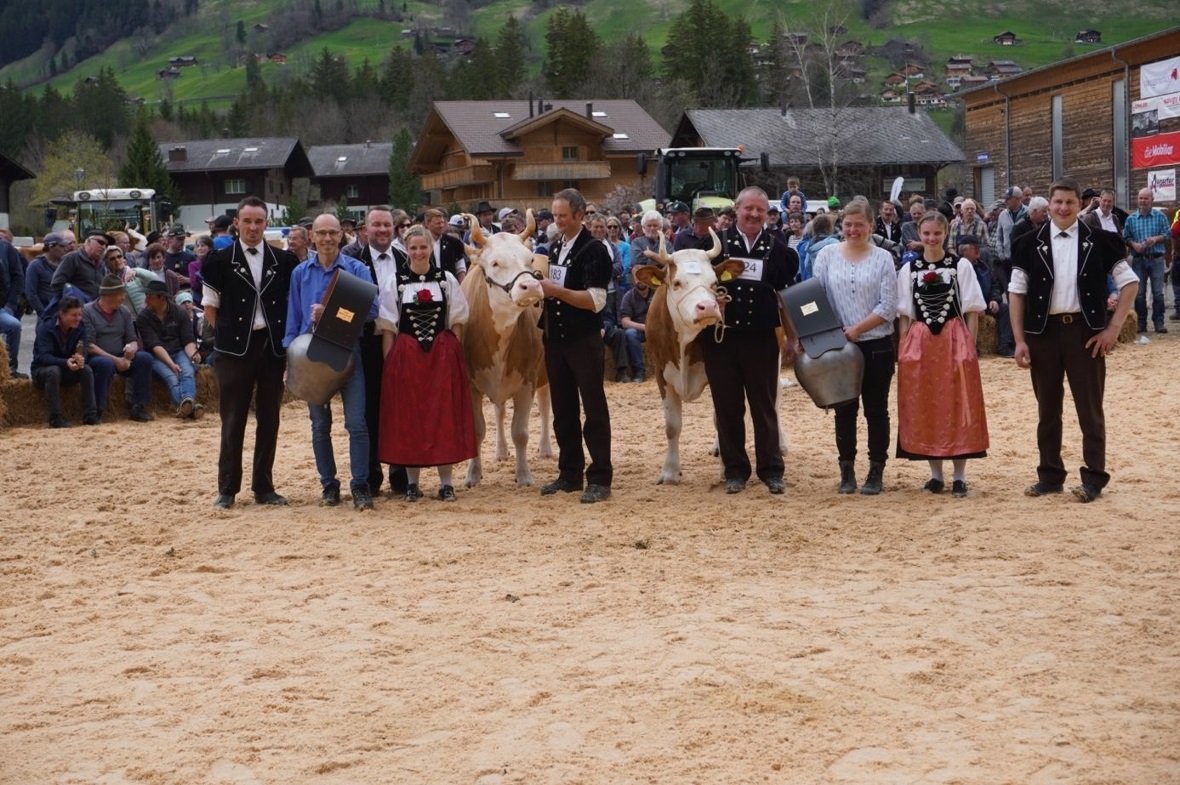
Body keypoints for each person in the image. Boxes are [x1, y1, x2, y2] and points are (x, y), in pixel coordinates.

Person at [1009, 178, 1138, 504]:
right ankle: (1050, 475)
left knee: (1089, 410)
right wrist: (1020, 339)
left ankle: (1093, 478)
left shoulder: (1102, 240)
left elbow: (1130, 284)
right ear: (1048, 206)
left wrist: (1112, 330)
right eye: (1058, 202)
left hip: (1086, 333)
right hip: (1043, 335)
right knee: (1047, 410)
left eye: (1069, 202)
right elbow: (1016, 293)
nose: (1063, 208)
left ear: (1080, 204)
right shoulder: (1026, 242)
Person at [201, 196, 296, 509]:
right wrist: (228, 337)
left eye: (259, 221)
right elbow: (210, 308)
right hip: (234, 349)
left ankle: (264, 486)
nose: (253, 227)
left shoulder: (284, 261)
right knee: (232, 419)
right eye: (248, 221)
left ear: (266, 224)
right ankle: (227, 489)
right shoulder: (218, 260)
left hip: (271, 348)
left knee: (270, 419)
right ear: (237, 224)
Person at [704, 186, 798, 495]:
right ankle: (735, 471)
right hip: (721, 339)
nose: (755, 214)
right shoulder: (714, 246)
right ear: (737, 209)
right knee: (728, 407)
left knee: (764, 406)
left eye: (760, 209)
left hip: (761, 339)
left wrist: (792, 339)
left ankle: (771, 470)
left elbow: (785, 297)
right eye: (749, 209)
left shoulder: (778, 248)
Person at [284, 213, 379, 511]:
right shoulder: (300, 272)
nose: (327, 238)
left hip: (347, 354)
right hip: (311, 358)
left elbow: (372, 311)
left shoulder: (356, 269)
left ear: (341, 235)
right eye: (321, 233)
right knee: (319, 426)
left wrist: (332, 313)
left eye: (332, 233)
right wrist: (289, 363)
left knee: (357, 423)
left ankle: (360, 486)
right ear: (312, 235)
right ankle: (329, 485)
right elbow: (294, 320)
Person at [376, 224, 476, 502]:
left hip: (441, 356)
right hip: (406, 356)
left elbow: (457, 319)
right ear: (406, 250)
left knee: (443, 416)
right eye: (413, 248)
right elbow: (388, 327)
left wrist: (453, 352)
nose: (418, 252)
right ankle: (411, 483)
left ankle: (446, 483)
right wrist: (390, 365)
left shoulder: (445, 279)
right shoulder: (395, 281)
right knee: (410, 418)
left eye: (423, 247)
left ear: (431, 249)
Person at [896, 211, 989, 497]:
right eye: (926, 234)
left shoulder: (960, 265)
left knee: (958, 402)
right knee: (926, 403)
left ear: (945, 233)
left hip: (953, 338)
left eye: (937, 233)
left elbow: (972, 309)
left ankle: (959, 476)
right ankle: (935, 475)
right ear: (919, 235)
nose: (931, 238)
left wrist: (969, 346)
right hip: (921, 340)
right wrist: (903, 346)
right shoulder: (908, 269)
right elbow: (904, 313)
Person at [812, 198, 898, 495]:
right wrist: (825, 331)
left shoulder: (883, 258)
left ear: (871, 226)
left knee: (876, 410)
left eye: (859, 225)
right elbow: (816, 297)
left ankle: (876, 471)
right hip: (837, 346)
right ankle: (846, 470)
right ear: (840, 226)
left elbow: (888, 305)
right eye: (847, 225)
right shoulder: (826, 255)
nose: (853, 230)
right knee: (844, 410)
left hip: (876, 344)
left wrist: (857, 329)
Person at [538, 188, 614, 504]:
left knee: (593, 409)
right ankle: (569, 473)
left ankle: (599, 478)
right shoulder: (556, 248)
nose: (556, 221)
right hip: (555, 338)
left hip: (583, 339)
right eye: (555, 215)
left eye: (563, 216)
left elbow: (596, 301)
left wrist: (556, 291)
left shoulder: (594, 250)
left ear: (580, 216)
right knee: (563, 409)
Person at [354, 205, 409, 497]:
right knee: (369, 411)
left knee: (400, 409)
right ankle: (372, 475)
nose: (382, 230)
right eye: (376, 225)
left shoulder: (406, 258)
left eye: (387, 225)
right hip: (366, 344)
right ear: (366, 229)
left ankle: (400, 475)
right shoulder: (351, 260)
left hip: (402, 344)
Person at [82, 274, 155, 422]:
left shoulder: (124, 311)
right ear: (109, 295)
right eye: (121, 294)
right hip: (99, 357)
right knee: (105, 364)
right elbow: (89, 345)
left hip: (121, 357)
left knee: (145, 359)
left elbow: (132, 339)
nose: (123, 298)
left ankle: (138, 406)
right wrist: (116, 360)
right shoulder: (87, 311)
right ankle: (96, 411)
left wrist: (131, 349)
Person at [137, 278, 204, 419]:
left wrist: (193, 354)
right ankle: (189, 405)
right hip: (156, 355)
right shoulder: (143, 316)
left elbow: (187, 339)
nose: (146, 299)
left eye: (150, 296)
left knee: (187, 372)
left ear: (163, 298)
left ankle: (186, 405)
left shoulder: (179, 312)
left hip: (178, 350)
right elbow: (154, 345)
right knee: (171, 377)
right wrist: (171, 364)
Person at [32, 295, 100, 428]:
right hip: (42, 371)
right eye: (74, 315)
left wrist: (80, 359)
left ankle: (91, 415)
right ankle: (55, 417)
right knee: (54, 371)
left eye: (80, 315)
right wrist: (65, 362)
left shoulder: (80, 327)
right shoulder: (45, 328)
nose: (78, 319)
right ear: (62, 315)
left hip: (67, 369)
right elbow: (44, 358)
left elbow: (82, 348)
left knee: (86, 369)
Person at [1122, 187, 1170, 335]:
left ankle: (1159, 322)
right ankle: (1141, 323)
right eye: (1140, 198)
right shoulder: (1131, 219)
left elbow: (1167, 234)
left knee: (1158, 293)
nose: (1142, 201)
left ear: (1152, 200)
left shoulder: (1160, 216)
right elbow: (1126, 238)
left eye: (1146, 198)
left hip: (1156, 259)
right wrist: (1134, 244)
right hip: (1139, 260)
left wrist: (1156, 239)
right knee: (1140, 293)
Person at [960, 235, 1014, 356]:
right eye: (975, 248)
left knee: (1005, 308)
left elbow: (995, 284)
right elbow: (960, 293)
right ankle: (970, 346)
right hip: (967, 308)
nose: (979, 250)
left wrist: (994, 300)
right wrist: (975, 307)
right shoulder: (958, 267)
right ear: (964, 251)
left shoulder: (984, 265)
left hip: (986, 303)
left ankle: (1004, 345)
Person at [51, 230, 111, 300]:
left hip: (94, 309)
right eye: (101, 242)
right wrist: (72, 304)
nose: (103, 247)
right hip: (77, 309)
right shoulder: (72, 258)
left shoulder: (102, 265)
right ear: (88, 242)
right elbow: (57, 284)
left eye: (106, 245)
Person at [24, 232, 71, 318]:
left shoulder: (64, 265)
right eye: (61, 246)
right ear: (51, 247)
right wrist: (44, 314)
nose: (65, 249)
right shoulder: (36, 266)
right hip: (48, 315)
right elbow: (31, 293)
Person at [0, 236, 26, 377]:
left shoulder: (4, 247)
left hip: (2, 307)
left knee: (14, 325)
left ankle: (9, 371)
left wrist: (9, 305)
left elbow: (15, 278)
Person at [424, 208, 468, 280]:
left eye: (442, 222)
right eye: (438, 223)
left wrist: (461, 288)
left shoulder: (453, 243)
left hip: (450, 286)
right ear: (428, 223)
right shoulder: (420, 244)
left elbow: (460, 268)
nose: (441, 226)